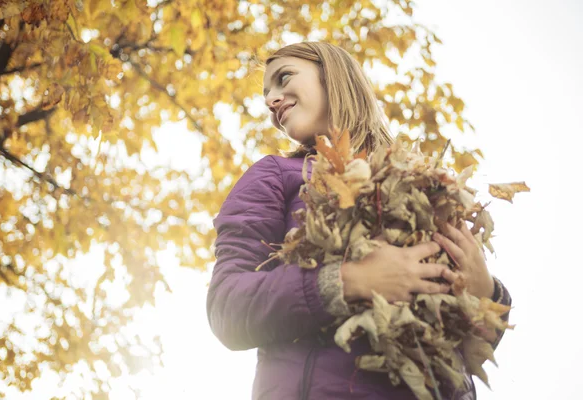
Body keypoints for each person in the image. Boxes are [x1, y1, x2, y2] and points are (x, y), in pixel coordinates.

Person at [206, 42, 511, 400]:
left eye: (283, 78)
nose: (271, 101)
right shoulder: (276, 175)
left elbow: (462, 342)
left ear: (333, 74)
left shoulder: (424, 183)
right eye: (266, 94)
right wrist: (349, 281)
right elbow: (228, 308)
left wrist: (486, 293)